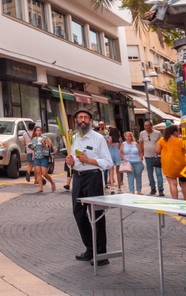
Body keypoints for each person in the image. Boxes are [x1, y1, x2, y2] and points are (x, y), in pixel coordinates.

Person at [66, 109, 113, 266]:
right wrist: (70, 161)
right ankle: (90, 249)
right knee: (78, 213)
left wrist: (89, 160)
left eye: (86, 117)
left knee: (97, 215)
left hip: (93, 177)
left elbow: (108, 162)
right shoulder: (73, 138)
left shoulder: (98, 138)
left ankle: (101, 254)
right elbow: (74, 159)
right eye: (80, 117)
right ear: (76, 121)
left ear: (90, 121)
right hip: (78, 178)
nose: (83, 120)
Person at [156, 125, 186, 200]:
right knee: (184, 183)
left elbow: (157, 151)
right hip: (182, 165)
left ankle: (175, 201)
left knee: (172, 184)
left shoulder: (162, 140)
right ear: (175, 132)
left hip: (168, 165)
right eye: (178, 131)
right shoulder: (182, 141)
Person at [139, 120, 165, 196]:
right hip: (147, 156)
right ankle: (152, 188)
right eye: (144, 126)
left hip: (156, 156)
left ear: (151, 126)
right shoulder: (142, 133)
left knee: (158, 173)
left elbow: (161, 143)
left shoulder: (157, 133)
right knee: (150, 173)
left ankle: (161, 189)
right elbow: (141, 143)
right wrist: (141, 153)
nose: (145, 127)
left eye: (147, 125)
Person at [30, 126, 55, 193]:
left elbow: (48, 146)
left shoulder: (44, 138)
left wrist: (43, 143)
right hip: (36, 157)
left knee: (44, 173)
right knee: (38, 173)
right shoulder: (34, 139)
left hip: (44, 157)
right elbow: (33, 148)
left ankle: (52, 183)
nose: (39, 132)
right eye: (37, 130)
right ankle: (41, 188)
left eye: (40, 130)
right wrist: (31, 147)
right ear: (35, 132)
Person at [107, 127, 123, 193]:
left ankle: (112, 187)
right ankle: (119, 187)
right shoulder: (119, 138)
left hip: (110, 153)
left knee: (111, 172)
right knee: (118, 172)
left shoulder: (108, 137)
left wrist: (110, 139)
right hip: (117, 153)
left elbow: (108, 144)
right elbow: (120, 147)